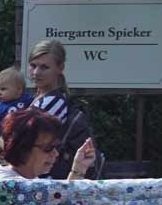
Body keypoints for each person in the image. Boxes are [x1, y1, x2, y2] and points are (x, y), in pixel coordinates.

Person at [24, 37, 105, 180]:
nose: (36, 72)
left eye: (44, 67)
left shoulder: (52, 103)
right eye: (33, 65)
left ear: (60, 68)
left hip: (48, 180)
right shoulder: (39, 98)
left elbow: (23, 142)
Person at [0, 105, 97, 182]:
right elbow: (61, 204)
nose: (56, 154)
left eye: (56, 147)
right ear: (23, 147)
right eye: (48, 148)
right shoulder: (8, 184)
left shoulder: (27, 181)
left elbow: (62, 202)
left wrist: (79, 168)